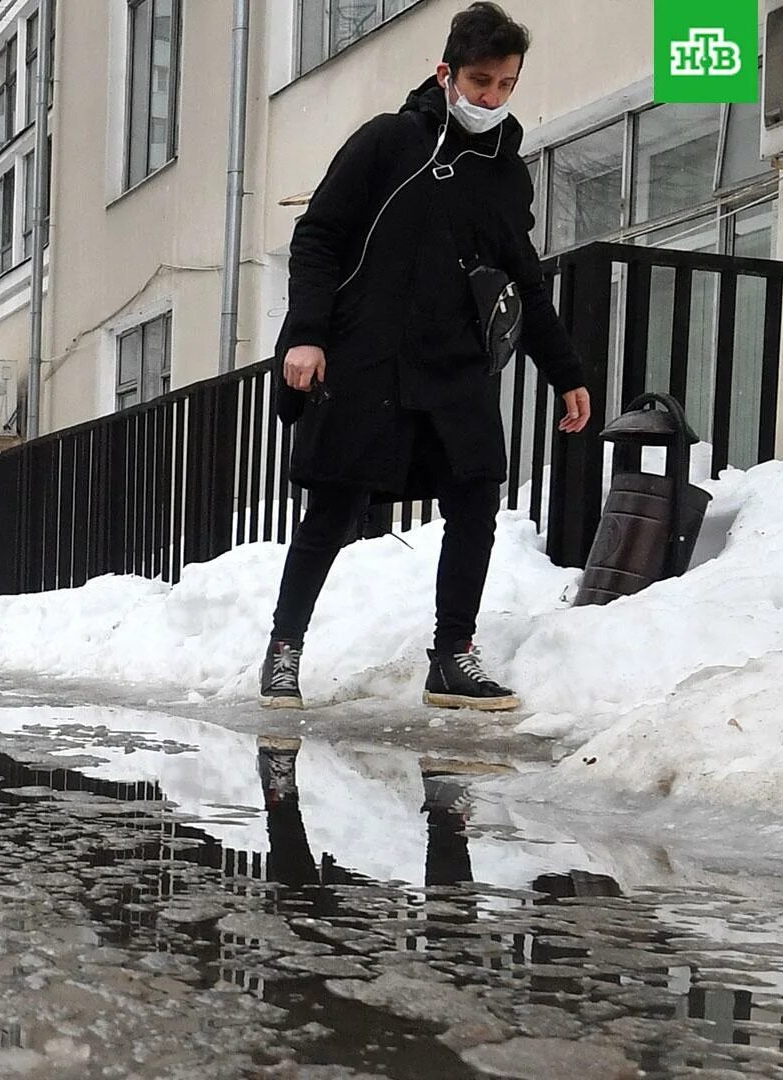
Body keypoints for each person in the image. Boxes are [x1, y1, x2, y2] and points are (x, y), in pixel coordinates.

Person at [260, 1, 592, 713]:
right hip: (368, 359)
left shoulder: (507, 173)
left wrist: (565, 372)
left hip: (454, 367)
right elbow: (317, 238)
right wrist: (309, 334)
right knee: (335, 506)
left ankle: (452, 657)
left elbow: (523, 280)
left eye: (506, 85)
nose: (492, 98)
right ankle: (284, 651)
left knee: (476, 496)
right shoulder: (388, 143)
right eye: (480, 82)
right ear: (446, 72)